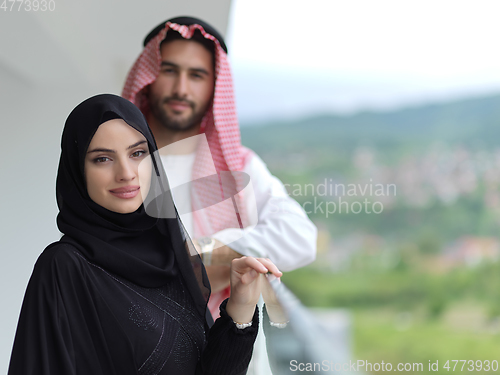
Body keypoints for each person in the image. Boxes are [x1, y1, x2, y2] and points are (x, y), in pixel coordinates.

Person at [7, 94, 283, 375]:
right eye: (102, 159)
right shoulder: (64, 267)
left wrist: (241, 307)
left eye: (138, 153)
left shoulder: (169, 254)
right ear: (78, 171)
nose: (126, 173)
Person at [122, 16, 317, 318]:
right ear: (148, 78)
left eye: (197, 75)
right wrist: (214, 265)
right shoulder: (118, 163)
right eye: (169, 70)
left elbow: (299, 237)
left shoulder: (239, 164)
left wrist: (201, 251)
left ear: (215, 86)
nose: (181, 88)